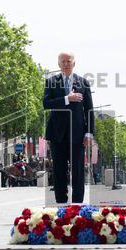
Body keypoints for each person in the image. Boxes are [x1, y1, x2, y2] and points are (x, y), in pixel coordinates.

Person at [42, 52, 95, 204]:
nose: (66, 64)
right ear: (58, 64)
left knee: (78, 172)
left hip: (78, 135)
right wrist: (67, 99)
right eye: (63, 61)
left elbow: (89, 110)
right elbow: (46, 104)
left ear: (74, 63)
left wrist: (89, 133)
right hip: (56, 134)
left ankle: (78, 206)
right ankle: (61, 205)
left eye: (68, 61)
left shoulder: (83, 82)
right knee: (59, 171)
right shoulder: (51, 81)